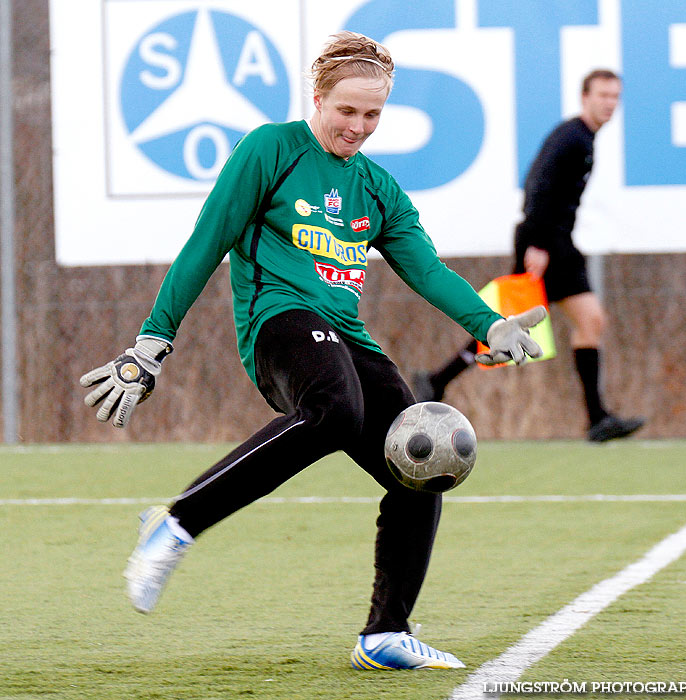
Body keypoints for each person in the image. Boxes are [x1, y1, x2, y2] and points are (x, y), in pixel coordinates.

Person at [80, 32, 545, 671]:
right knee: (335, 409)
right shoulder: (271, 149)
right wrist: (153, 341)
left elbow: (428, 270)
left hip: (346, 338)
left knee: (421, 458)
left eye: (372, 114)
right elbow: (205, 242)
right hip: (280, 325)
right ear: (318, 97)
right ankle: (175, 523)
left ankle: (385, 634)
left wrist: (490, 325)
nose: (358, 126)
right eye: (346, 110)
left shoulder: (379, 189)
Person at [413, 69, 644, 444]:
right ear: (585, 97)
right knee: (515, 327)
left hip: (558, 242)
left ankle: (597, 419)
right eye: (603, 95)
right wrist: (537, 243)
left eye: (615, 96)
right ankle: (436, 380)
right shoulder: (570, 137)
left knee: (590, 321)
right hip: (544, 242)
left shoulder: (585, 138)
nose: (609, 103)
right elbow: (539, 184)